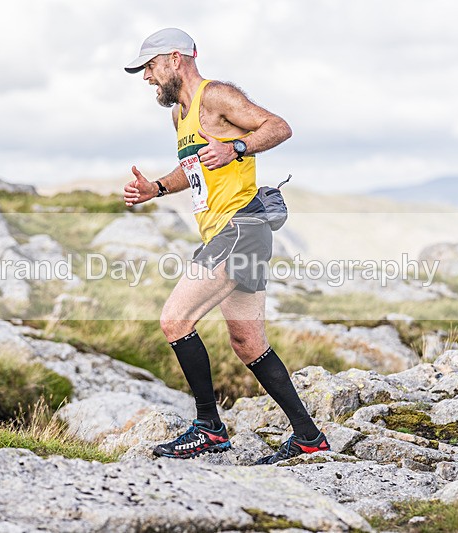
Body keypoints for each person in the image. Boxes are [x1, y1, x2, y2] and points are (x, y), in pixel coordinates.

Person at [123, 28, 329, 464]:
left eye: (149, 67)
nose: (146, 77)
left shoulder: (215, 96)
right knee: (248, 342)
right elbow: (194, 167)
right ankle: (309, 437)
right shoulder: (179, 115)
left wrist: (237, 146)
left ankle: (209, 428)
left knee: (175, 320)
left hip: (240, 227)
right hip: (226, 231)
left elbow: (278, 127)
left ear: (175, 59)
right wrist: (157, 188)